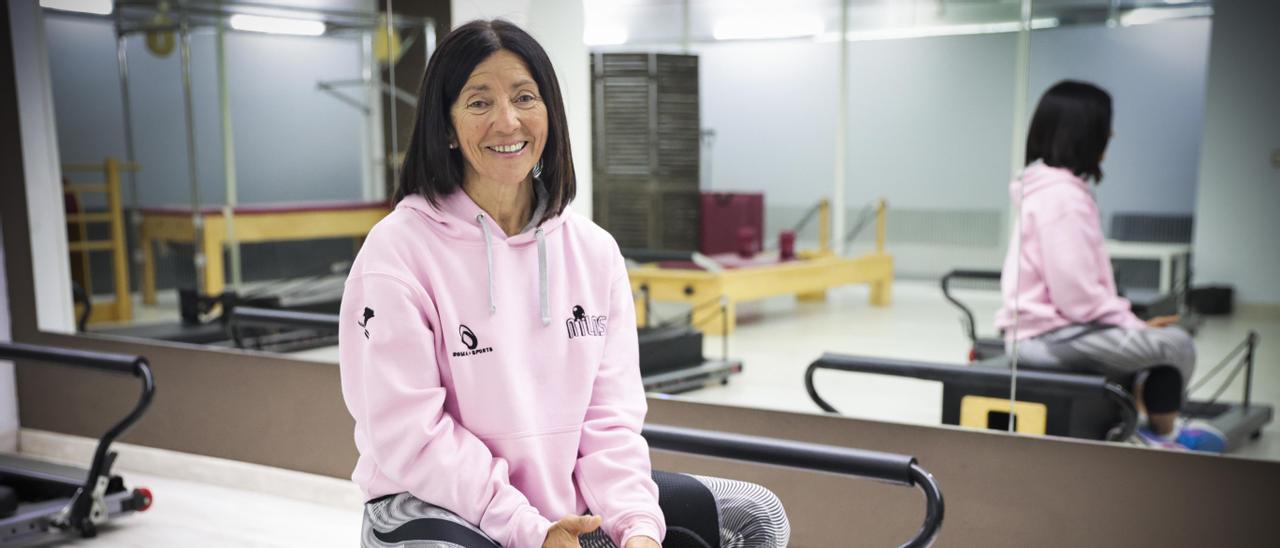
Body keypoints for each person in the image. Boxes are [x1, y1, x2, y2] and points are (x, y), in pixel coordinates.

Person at [338, 19, 790, 547]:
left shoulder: (594, 252)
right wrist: (530, 530)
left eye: (525, 97)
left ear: (548, 113)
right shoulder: (397, 252)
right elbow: (411, 437)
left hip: (566, 501)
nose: (508, 122)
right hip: (436, 501)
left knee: (755, 515)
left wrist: (637, 526)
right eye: (480, 103)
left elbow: (611, 420)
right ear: (446, 126)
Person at [994, 80, 1224, 452]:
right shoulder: (1062, 198)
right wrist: (1131, 323)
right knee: (1177, 345)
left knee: (1159, 344)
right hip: (1050, 340)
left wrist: (1130, 322)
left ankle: (1147, 424)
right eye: (1106, 127)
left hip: (1053, 332)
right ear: (1085, 133)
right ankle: (1162, 436)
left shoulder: (1053, 190)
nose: (1111, 135)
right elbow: (1078, 299)